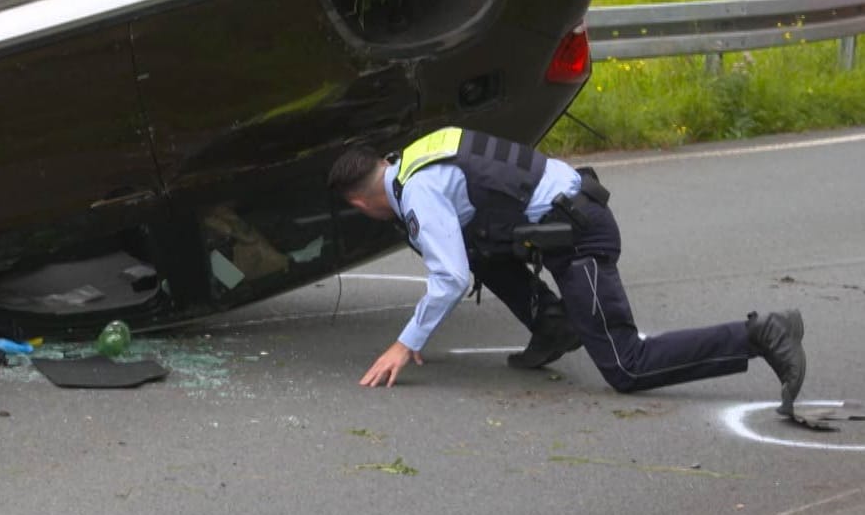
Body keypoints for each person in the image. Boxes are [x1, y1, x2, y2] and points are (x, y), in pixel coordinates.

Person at [326, 127, 807, 415]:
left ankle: (761, 334)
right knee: (479, 246)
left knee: (625, 366)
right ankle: (552, 326)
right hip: (562, 215)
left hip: (580, 235)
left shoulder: (418, 194)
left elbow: (448, 277)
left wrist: (406, 342)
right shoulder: (420, 154)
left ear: (360, 201)